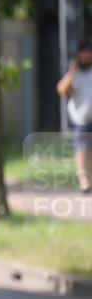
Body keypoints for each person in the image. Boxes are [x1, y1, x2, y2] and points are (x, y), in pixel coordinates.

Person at [57, 42, 92, 194]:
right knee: (81, 150)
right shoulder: (74, 74)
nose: (84, 56)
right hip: (81, 120)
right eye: (82, 53)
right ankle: (83, 181)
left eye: (87, 52)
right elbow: (62, 90)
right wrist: (72, 72)